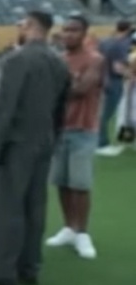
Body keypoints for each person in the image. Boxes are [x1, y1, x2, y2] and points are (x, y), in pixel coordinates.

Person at [0, 10, 70, 285]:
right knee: (35, 205)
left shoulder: (18, 60)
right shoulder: (58, 61)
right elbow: (61, 108)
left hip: (17, 142)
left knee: (8, 207)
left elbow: (5, 107)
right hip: (44, 139)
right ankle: (30, 266)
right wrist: (53, 138)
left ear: (30, 26)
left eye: (22, 25)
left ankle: (4, 272)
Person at [46, 15, 103, 259]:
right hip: (60, 127)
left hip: (83, 127)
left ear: (84, 33)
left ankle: (82, 232)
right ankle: (69, 227)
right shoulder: (60, 59)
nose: (69, 34)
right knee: (62, 180)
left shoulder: (95, 59)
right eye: (66, 30)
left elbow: (81, 89)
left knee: (80, 183)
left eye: (74, 30)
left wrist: (58, 88)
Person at [96, 20, 132, 155]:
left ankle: (126, 139)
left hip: (102, 79)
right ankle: (102, 143)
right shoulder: (121, 44)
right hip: (114, 81)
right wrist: (130, 73)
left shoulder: (105, 41)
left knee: (106, 113)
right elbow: (117, 67)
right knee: (112, 114)